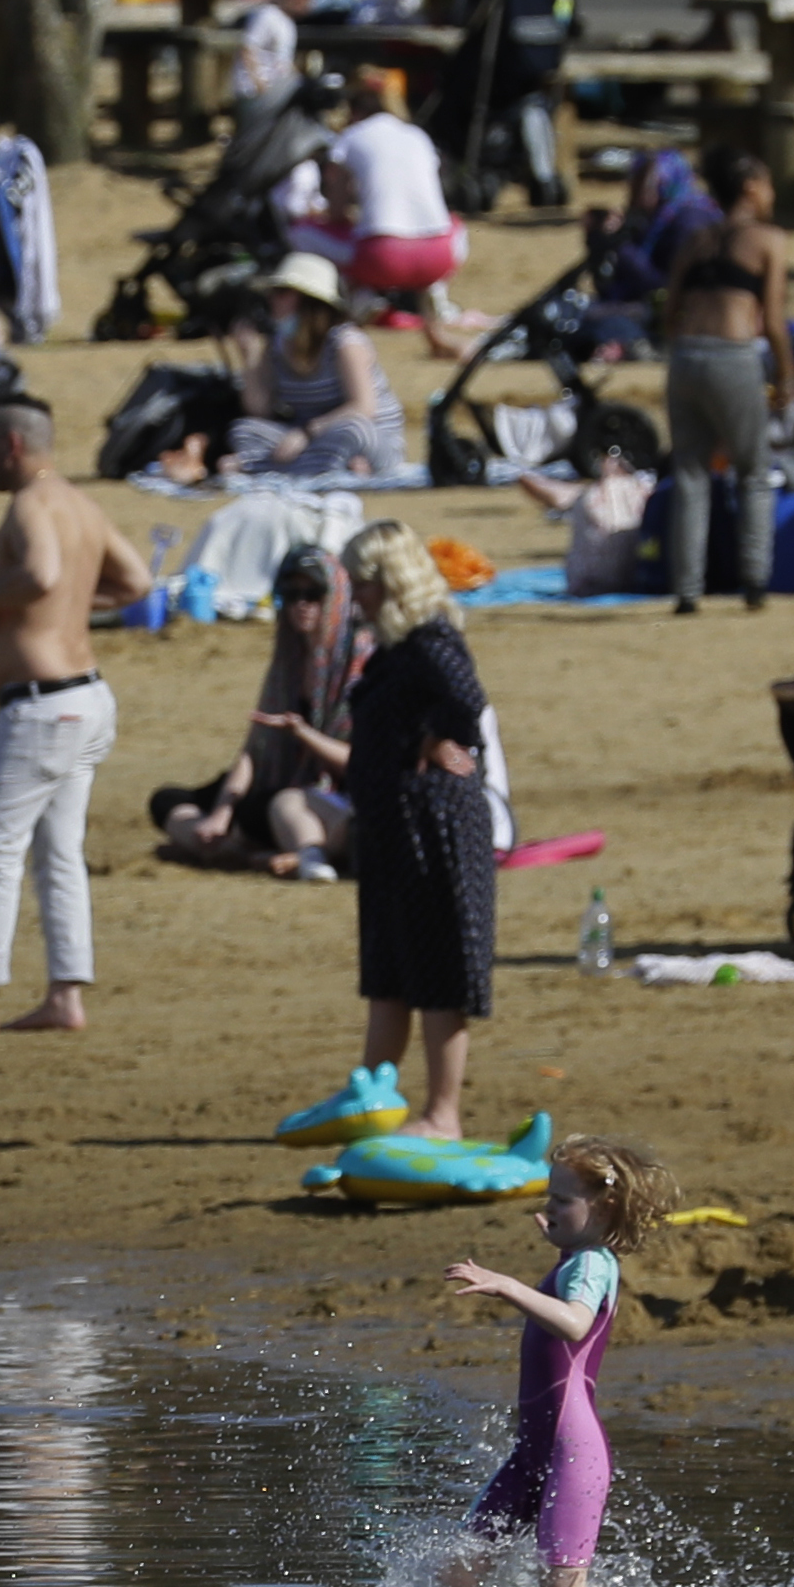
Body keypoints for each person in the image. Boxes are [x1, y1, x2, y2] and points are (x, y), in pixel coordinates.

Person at [0, 401, 144, 1041]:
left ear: (12, 445)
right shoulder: (82, 504)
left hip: (43, 705)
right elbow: (136, 582)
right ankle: (66, 993)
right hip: (86, 697)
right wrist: (70, 602)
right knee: (57, 850)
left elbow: (40, 572)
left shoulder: (32, 505)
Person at [435, 1137, 702, 1587]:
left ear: (601, 1207)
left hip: (571, 1452)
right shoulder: (580, 1257)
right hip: (534, 1454)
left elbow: (576, 1322)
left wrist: (507, 1286)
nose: (547, 1208)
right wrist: (562, 1238)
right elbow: (574, 1274)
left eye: (561, 1200)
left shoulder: (593, 1264)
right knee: (458, 1570)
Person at [334, 519, 497, 1141]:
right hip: (391, 829)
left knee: (435, 972)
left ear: (390, 582)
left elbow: (468, 702)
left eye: (364, 581)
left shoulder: (431, 639)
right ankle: (369, 1092)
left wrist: (437, 739)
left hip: (433, 824)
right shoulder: (396, 647)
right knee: (389, 972)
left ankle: (443, 1114)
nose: (356, 594)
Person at [160, 543, 370, 875]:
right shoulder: (289, 659)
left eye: (313, 593)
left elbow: (362, 763)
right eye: (290, 593)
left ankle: (273, 852)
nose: (301, 605)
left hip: (331, 791)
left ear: (335, 595)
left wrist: (303, 734)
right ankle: (234, 848)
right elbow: (254, 749)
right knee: (169, 801)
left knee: (279, 805)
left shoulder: (361, 662)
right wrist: (221, 813)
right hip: (279, 781)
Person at [654, 142, 783, 613]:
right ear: (750, 188)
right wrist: (786, 376)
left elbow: (669, 311)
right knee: (752, 471)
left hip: (686, 355)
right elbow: (771, 319)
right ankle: (755, 582)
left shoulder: (695, 240)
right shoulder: (768, 240)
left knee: (690, 473)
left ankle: (687, 591)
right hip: (733, 356)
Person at [192, 256, 402, 481]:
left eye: (282, 292)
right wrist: (250, 357)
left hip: (364, 436)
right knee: (244, 430)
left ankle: (264, 466)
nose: (272, 299)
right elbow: (260, 410)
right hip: (309, 439)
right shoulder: (277, 344)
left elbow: (363, 408)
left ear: (309, 300)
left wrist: (307, 433)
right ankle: (324, 468)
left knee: (352, 430)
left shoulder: (345, 343)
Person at [325, 67, 463, 313]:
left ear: (354, 110)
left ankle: (362, 296)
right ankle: (435, 295)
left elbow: (336, 210)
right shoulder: (417, 135)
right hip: (438, 257)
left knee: (304, 232)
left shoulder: (349, 138)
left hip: (382, 257)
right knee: (455, 226)